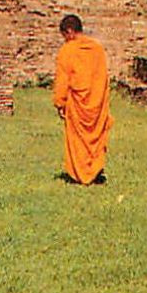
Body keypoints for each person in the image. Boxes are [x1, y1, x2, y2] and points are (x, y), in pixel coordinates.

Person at [52, 13, 112, 184]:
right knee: (95, 136)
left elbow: (63, 79)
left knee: (78, 139)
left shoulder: (67, 51)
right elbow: (103, 78)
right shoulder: (97, 49)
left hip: (77, 104)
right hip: (97, 102)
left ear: (70, 32)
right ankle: (94, 170)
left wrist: (60, 102)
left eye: (64, 36)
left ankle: (81, 174)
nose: (64, 40)